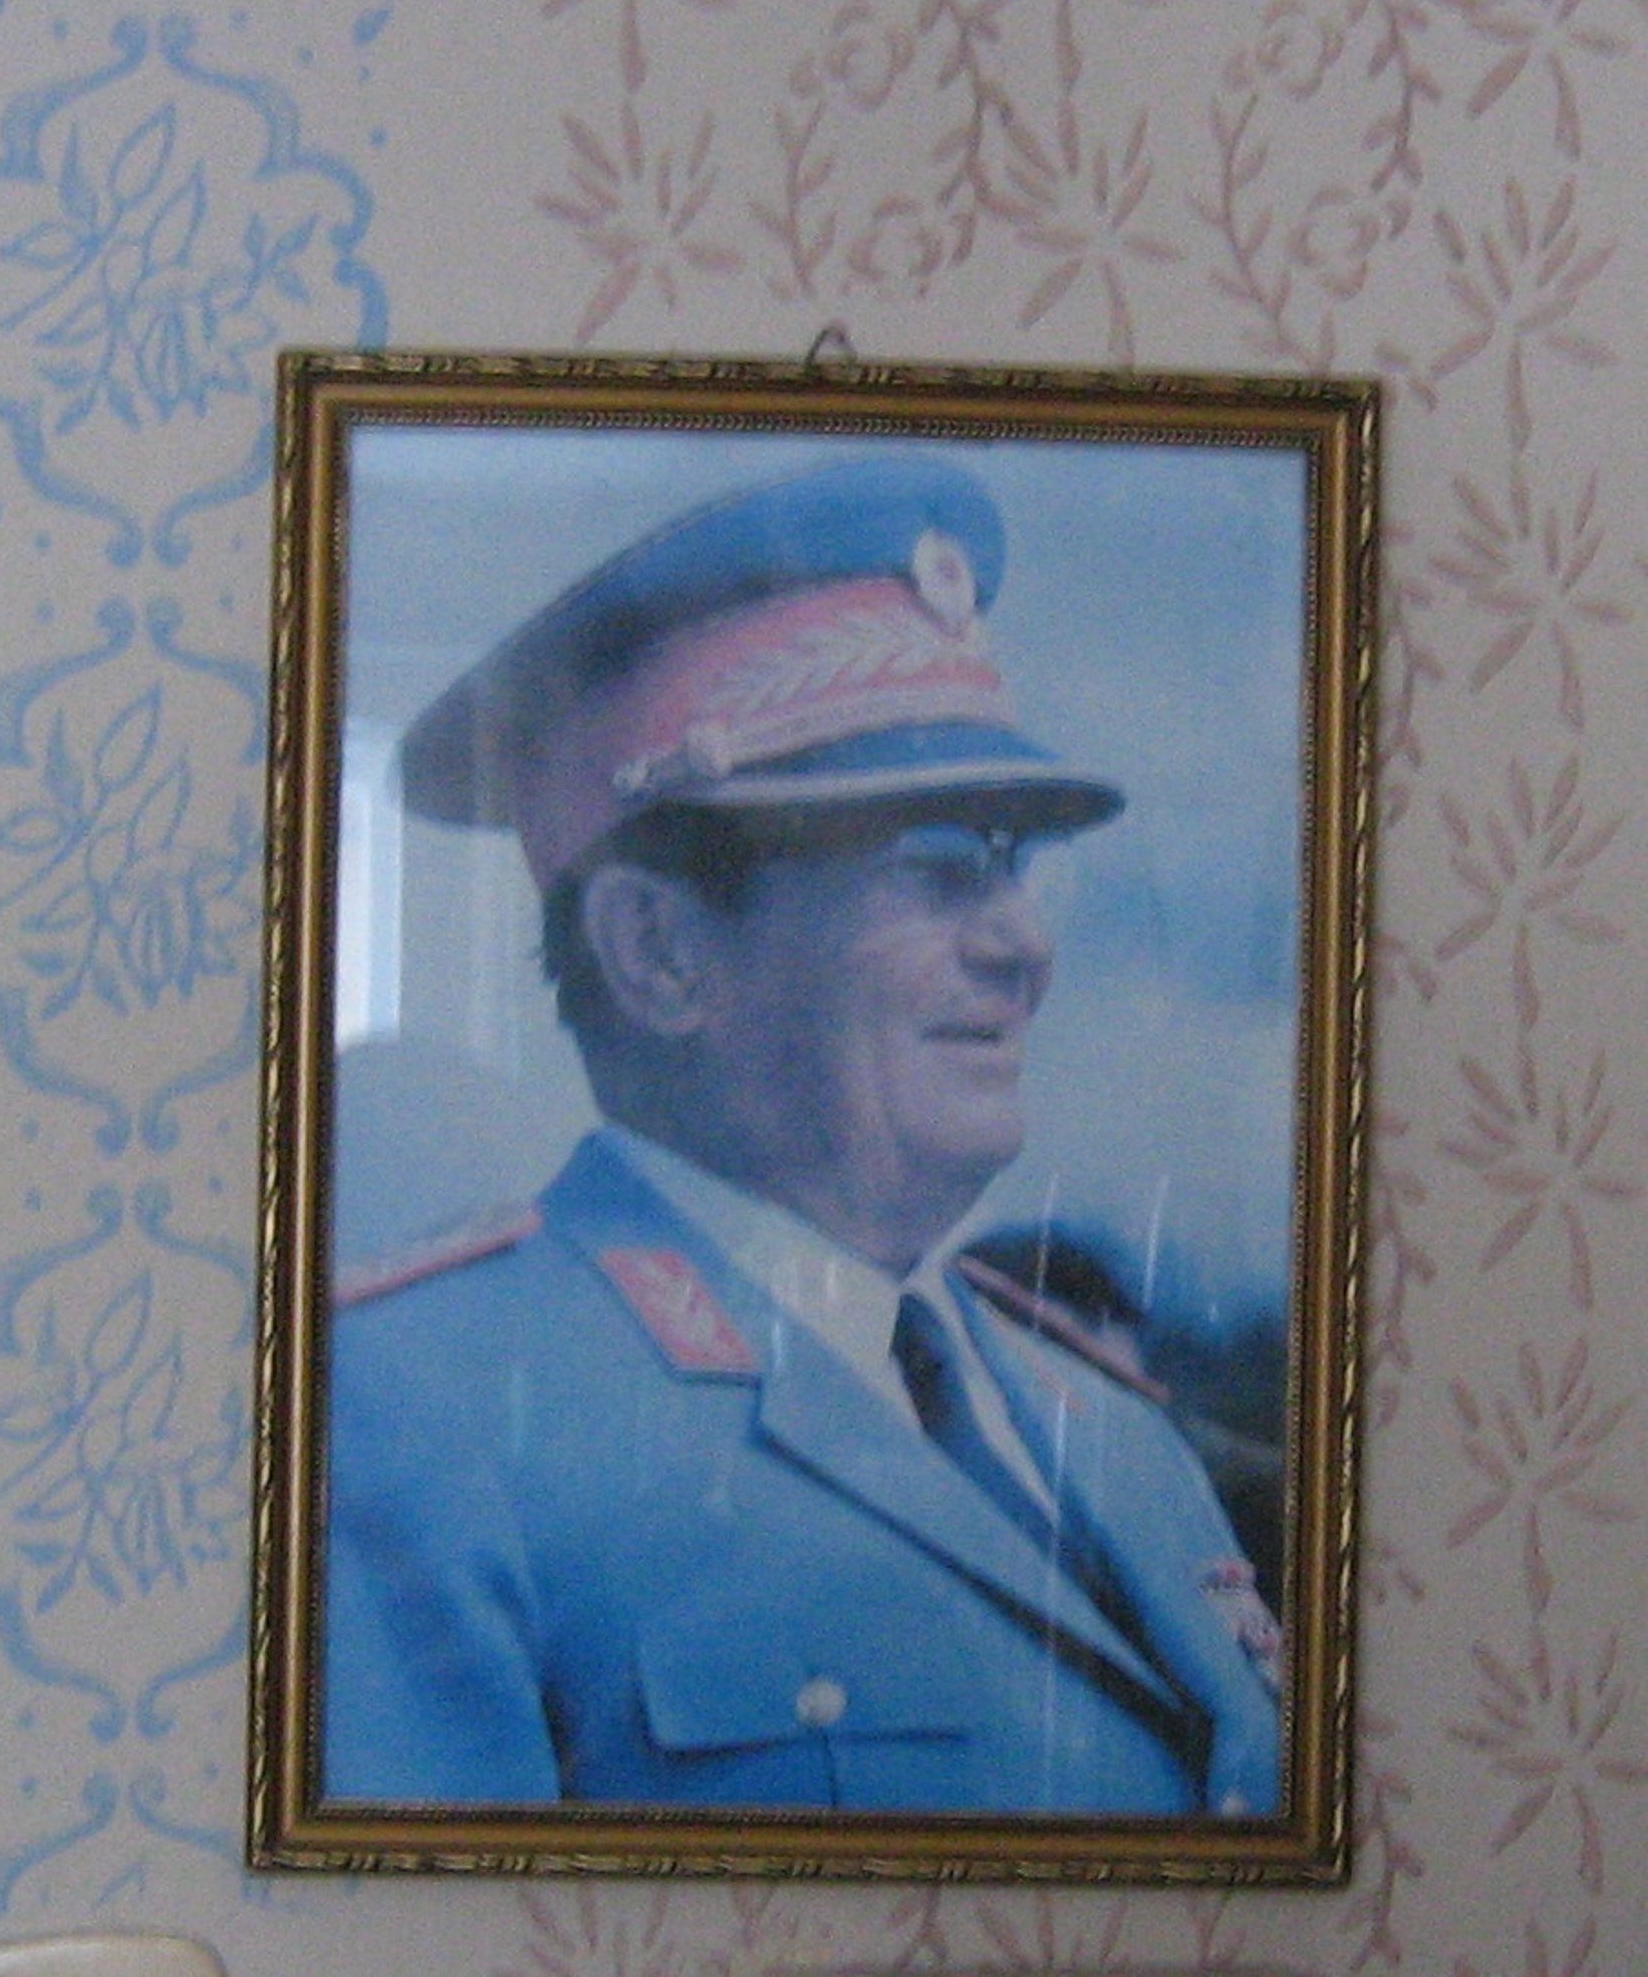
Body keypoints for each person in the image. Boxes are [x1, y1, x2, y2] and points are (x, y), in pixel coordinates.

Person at [323, 453, 1282, 1817]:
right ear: (658, 951)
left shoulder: (1110, 1430)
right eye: (937, 868)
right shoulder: (414, 1412)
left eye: (1017, 870)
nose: (1023, 945)